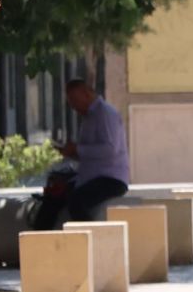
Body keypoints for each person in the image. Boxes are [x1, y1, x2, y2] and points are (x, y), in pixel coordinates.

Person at [33, 79, 129, 230]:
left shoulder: (105, 113)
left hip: (110, 179)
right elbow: (89, 153)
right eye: (70, 102)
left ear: (87, 94)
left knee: (77, 202)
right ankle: (39, 244)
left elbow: (110, 149)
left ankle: (95, 241)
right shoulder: (88, 118)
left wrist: (78, 149)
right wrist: (69, 152)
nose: (73, 106)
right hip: (88, 177)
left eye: (75, 100)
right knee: (52, 197)